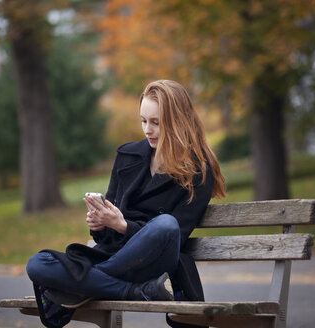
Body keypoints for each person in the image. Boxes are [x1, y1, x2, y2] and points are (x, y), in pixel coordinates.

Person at [25, 80, 226, 327]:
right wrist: (100, 225)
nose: (147, 130)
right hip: (119, 259)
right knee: (37, 264)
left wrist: (122, 226)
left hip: (154, 264)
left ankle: (83, 286)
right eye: (143, 121)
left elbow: (176, 237)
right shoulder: (127, 156)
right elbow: (104, 240)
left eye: (156, 123)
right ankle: (134, 291)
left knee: (166, 224)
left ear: (177, 122)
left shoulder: (197, 173)